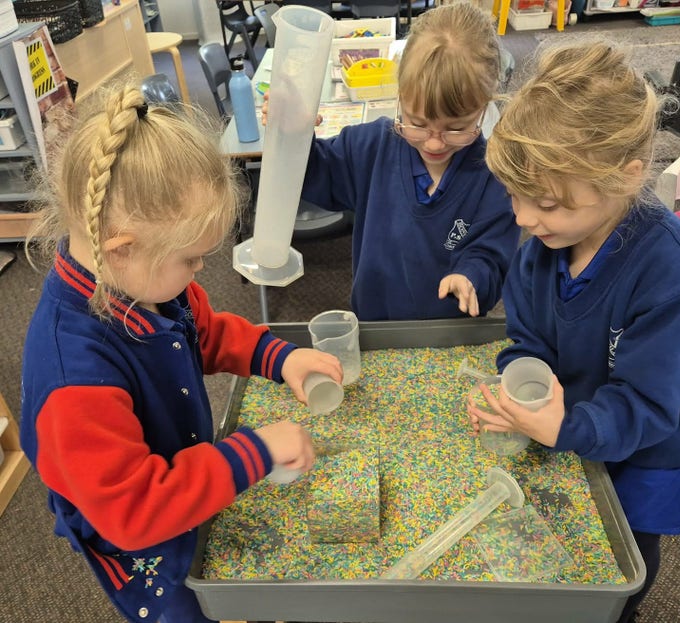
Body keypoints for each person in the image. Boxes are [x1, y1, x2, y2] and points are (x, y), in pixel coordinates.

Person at [20, 86, 342, 623]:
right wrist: (253, 452)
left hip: (178, 471)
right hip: (140, 539)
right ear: (121, 247)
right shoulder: (72, 380)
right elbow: (136, 509)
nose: (200, 274)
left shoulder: (145, 281)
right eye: (192, 259)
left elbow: (205, 331)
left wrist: (277, 357)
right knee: (188, 604)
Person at [469, 41, 680, 622]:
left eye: (543, 203)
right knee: (578, 507)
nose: (521, 218)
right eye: (514, 196)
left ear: (625, 177)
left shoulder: (676, 280)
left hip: (660, 443)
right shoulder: (548, 241)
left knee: (626, 549)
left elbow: (647, 402)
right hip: (587, 411)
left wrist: (568, 424)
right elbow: (529, 331)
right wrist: (518, 377)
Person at [268, 1, 519, 320]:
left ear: (484, 107)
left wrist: (471, 278)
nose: (433, 142)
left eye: (456, 129)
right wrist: (292, 136)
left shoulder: (493, 178)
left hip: (449, 335)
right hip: (375, 325)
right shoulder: (371, 146)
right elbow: (315, 175)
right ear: (400, 96)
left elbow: (491, 256)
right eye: (416, 122)